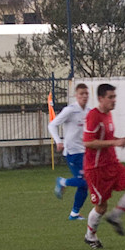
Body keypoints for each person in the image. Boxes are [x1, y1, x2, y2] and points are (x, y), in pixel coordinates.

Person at [82, 83, 125, 249]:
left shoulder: (108, 114)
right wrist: (115, 142)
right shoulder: (93, 116)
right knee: (101, 207)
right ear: (100, 98)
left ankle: (115, 217)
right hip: (96, 169)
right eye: (110, 97)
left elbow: (106, 138)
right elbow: (88, 142)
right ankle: (90, 236)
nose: (114, 100)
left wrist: (120, 140)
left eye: (114, 97)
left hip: (113, 164)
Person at [49, 83, 90, 220]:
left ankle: (74, 214)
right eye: (81, 94)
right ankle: (62, 182)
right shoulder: (70, 110)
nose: (84, 96)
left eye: (86, 93)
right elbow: (52, 125)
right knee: (85, 182)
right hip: (72, 152)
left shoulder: (89, 111)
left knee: (84, 185)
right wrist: (58, 141)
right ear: (76, 95)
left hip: (85, 151)